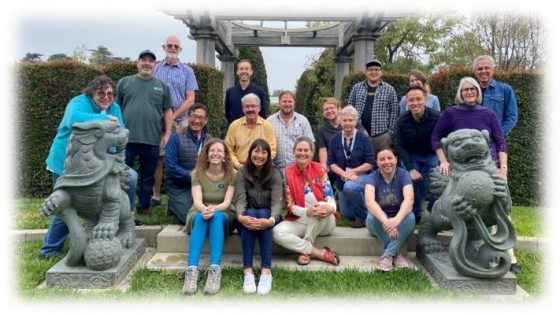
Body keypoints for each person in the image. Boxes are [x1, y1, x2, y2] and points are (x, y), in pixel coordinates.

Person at [39, 75, 139, 259]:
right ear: (91, 92)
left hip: (101, 164)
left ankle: (124, 222)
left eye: (110, 94)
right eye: (101, 93)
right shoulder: (78, 103)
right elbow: (73, 120)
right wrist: (105, 121)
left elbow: (121, 134)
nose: (106, 97)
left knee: (130, 178)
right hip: (69, 164)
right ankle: (49, 250)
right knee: (64, 203)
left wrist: (115, 154)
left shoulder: (114, 108)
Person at [431, 76, 519, 275]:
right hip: (460, 169)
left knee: (501, 204)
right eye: (465, 90)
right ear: (460, 93)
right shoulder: (451, 113)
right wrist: (444, 161)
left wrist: (502, 168)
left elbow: (500, 140)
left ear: (478, 92)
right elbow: (436, 137)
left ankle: (510, 257)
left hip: (488, 166)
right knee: (453, 204)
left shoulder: (488, 113)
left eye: (472, 89)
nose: (469, 92)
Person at [116, 49, 173, 216]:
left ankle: (143, 206)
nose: (147, 63)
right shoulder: (124, 83)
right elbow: (115, 108)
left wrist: (167, 133)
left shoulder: (162, 87)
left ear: (155, 65)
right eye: (144, 60)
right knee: (122, 174)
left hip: (151, 139)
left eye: (150, 61)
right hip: (126, 139)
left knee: (148, 176)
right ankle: (122, 206)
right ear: (137, 63)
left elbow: (167, 111)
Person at [181, 138, 237, 296]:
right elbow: (197, 201)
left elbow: (227, 202)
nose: (215, 153)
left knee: (216, 217)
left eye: (219, 150)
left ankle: (215, 270)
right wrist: (205, 210)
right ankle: (192, 270)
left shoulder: (232, 174)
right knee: (201, 217)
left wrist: (213, 209)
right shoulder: (197, 173)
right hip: (200, 210)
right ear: (206, 154)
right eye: (212, 150)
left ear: (225, 155)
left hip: (224, 212)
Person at [273, 137, 340, 266]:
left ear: (311, 153)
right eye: (299, 150)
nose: (302, 153)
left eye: (306, 150)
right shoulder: (287, 173)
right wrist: (307, 212)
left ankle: (306, 248)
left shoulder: (320, 169)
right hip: (300, 219)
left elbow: (330, 196)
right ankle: (319, 253)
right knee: (276, 233)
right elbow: (290, 206)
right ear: (294, 152)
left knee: (320, 205)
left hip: (324, 221)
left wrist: (331, 208)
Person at [151, 35, 199, 207]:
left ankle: (188, 194)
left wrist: (173, 116)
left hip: (183, 121)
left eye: (175, 46)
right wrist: (165, 120)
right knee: (159, 158)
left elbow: (190, 99)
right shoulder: (155, 69)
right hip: (158, 122)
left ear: (180, 50)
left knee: (186, 157)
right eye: (169, 45)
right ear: (163, 47)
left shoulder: (187, 71)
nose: (172, 48)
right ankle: (156, 195)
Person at [234, 139, 282, 295]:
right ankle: (248, 271)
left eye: (264, 152)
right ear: (250, 153)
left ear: (268, 155)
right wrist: (241, 217)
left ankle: (266, 271)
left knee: (262, 213)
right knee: (251, 213)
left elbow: (276, 202)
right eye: (256, 151)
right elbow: (240, 199)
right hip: (246, 219)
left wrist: (270, 220)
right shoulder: (241, 172)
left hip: (268, 218)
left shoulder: (275, 173)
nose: (259, 155)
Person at [394, 85, 441, 223]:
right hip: (411, 155)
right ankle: (413, 215)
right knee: (410, 183)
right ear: (406, 102)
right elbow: (400, 146)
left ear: (425, 99)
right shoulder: (402, 120)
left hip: (431, 154)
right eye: (411, 100)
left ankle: (432, 215)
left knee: (428, 184)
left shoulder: (437, 117)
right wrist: (411, 169)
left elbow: (442, 141)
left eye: (419, 99)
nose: (415, 103)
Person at [364, 147, 415, 272]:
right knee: (371, 217)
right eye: (382, 159)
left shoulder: (404, 175)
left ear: (396, 160)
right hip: (378, 222)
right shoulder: (372, 177)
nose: (387, 162)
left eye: (390, 158)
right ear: (377, 162)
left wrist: (396, 220)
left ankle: (387, 254)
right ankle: (394, 253)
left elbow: (409, 200)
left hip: (399, 221)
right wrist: (386, 222)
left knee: (411, 217)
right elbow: (370, 202)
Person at [327, 106, 375, 228]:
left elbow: (370, 163)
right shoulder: (335, 139)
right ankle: (369, 209)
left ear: (355, 121)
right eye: (344, 120)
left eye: (351, 120)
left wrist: (352, 172)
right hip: (343, 178)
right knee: (347, 214)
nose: (347, 123)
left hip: (362, 177)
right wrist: (344, 174)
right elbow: (331, 163)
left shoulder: (364, 138)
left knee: (350, 187)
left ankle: (364, 218)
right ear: (340, 121)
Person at [165, 103, 211, 224]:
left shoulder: (210, 140)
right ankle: (172, 205)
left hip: (203, 187)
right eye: (193, 116)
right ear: (188, 117)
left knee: (210, 213)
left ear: (206, 121)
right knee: (191, 218)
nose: (196, 121)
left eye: (201, 118)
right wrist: (192, 176)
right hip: (179, 186)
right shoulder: (176, 137)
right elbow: (171, 166)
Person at [348, 59, 398, 153]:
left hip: (381, 137)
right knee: (359, 162)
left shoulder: (390, 89)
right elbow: (350, 110)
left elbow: (394, 113)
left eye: (376, 69)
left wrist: (389, 133)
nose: (373, 72)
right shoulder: (356, 88)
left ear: (381, 72)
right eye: (370, 69)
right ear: (366, 72)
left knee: (381, 163)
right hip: (359, 134)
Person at [225, 93, 277, 170]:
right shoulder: (234, 126)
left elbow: (272, 150)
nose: (250, 109)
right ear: (243, 109)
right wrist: (238, 165)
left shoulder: (267, 126)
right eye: (247, 106)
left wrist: (260, 163)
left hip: (261, 168)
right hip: (238, 169)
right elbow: (228, 150)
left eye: (253, 106)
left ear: (259, 108)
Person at [267, 90, 315, 171]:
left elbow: (311, 144)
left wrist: (307, 164)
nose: (287, 104)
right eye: (284, 101)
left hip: (298, 168)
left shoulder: (303, 121)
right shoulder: (269, 121)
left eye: (290, 101)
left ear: (294, 104)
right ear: (279, 103)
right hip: (275, 169)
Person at [473, 55, 518, 138]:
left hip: (495, 142)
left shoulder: (505, 89)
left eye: (487, 68)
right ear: (475, 72)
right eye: (479, 69)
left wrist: (499, 135)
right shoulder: (470, 91)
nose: (483, 71)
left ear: (493, 70)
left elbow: (512, 116)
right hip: (473, 140)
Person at [225, 59, 268, 124]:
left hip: (255, 131)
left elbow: (263, 115)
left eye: (246, 69)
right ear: (237, 72)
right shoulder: (230, 92)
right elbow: (228, 114)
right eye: (241, 69)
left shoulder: (260, 92)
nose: (244, 71)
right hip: (236, 131)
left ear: (251, 72)